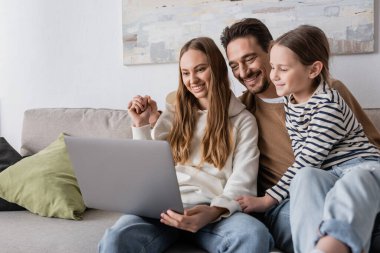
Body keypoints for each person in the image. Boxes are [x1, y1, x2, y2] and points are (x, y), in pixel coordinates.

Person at [98, 37, 274, 253]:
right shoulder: (173, 113)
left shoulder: (243, 121)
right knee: (115, 238)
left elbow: (242, 182)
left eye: (200, 69)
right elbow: (148, 172)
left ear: (217, 69)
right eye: (186, 73)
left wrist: (214, 211)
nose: (193, 80)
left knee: (253, 234)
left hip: (213, 213)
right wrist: (141, 125)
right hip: (162, 210)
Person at [220, 18, 380, 253]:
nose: (243, 72)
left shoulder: (330, 94)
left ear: (270, 49)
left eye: (249, 59)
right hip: (290, 200)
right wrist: (155, 119)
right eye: (234, 65)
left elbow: (371, 146)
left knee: (358, 196)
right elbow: (198, 117)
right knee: (308, 191)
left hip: (349, 179)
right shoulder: (242, 110)